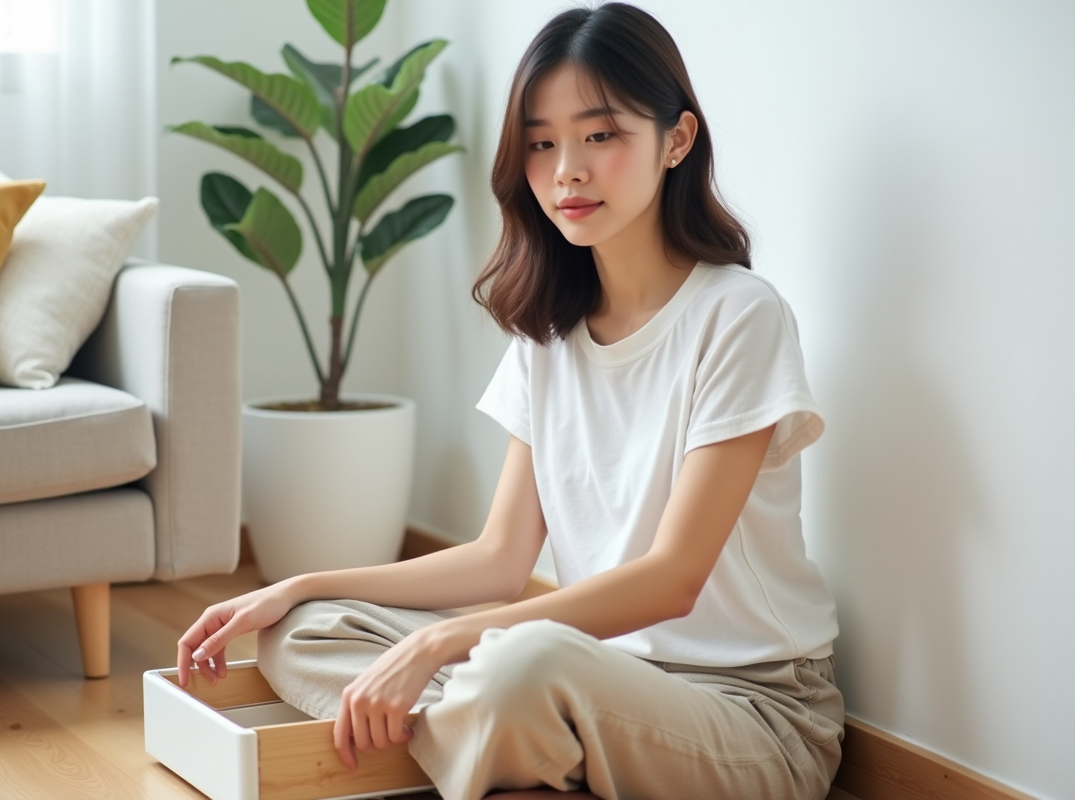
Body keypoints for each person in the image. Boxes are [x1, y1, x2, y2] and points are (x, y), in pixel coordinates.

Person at [177, 4, 843, 799]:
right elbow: (499, 558)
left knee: (521, 662)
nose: (567, 169)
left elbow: (672, 580)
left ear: (676, 140)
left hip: (750, 711)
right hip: (591, 672)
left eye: (600, 135)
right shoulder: (547, 333)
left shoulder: (738, 314)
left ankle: (498, 740)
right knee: (304, 631)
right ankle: (513, 748)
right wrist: (301, 586)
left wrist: (442, 648)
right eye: (541, 142)